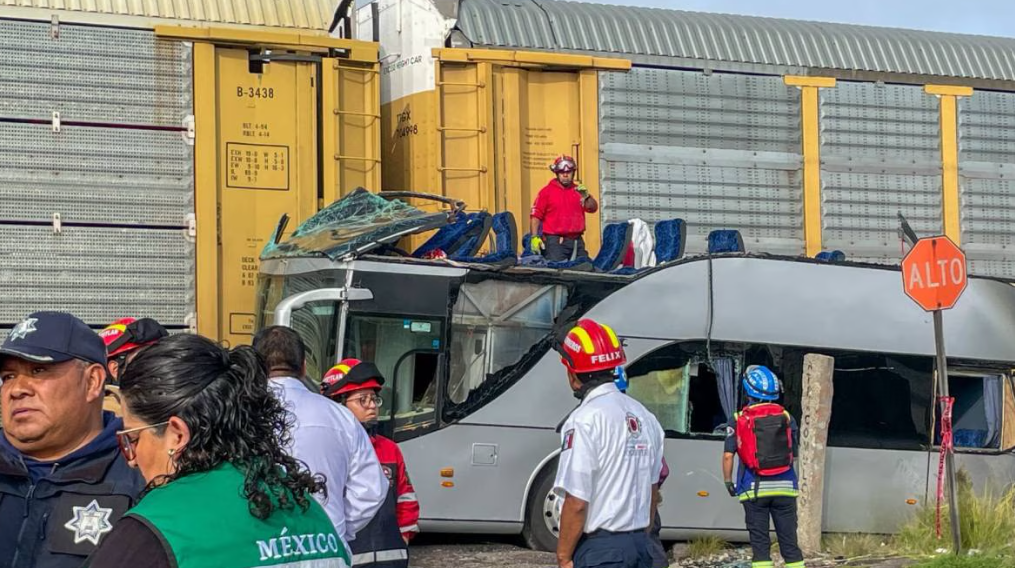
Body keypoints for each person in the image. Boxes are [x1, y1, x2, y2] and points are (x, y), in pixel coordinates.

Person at [84, 333, 351, 568]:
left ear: (176, 435)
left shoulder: (159, 529)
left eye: (132, 439)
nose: (131, 460)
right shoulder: (308, 512)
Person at [0, 311, 144, 568]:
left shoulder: (143, 475)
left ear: (92, 382)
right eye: (8, 377)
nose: (17, 389)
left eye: (38, 370)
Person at [253, 326, 388, 544]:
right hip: (326, 546)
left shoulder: (239, 414)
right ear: (304, 367)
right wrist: (337, 529)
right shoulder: (342, 417)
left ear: (255, 367)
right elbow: (371, 490)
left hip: (261, 546)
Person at [553, 318, 665, 568]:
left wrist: (564, 557)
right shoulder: (646, 417)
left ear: (572, 374)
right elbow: (652, 492)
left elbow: (577, 501)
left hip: (600, 551)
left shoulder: (583, 420)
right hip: (641, 547)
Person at [321, 359, 420, 568]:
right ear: (338, 404)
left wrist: (403, 536)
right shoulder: (327, 450)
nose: (372, 406)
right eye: (362, 399)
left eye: (374, 398)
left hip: (390, 558)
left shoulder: (390, 449)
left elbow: (406, 498)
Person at [722, 365, 804, 568]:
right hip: (785, 488)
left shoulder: (738, 419)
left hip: (754, 489)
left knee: (760, 545)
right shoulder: (787, 417)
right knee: (789, 543)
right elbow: (793, 452)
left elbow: (727, 456)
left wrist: (728, 481)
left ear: (748, 391)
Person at [529, 154, 599, 262]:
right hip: (555, 241)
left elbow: (593, 208)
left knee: (585, 268)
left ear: (573, 173)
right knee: (557, 271)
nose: (565, 175)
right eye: (562, 172)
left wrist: (587, 197)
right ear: (557, 173)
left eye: (568, 172)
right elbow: (535, 215)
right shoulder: (546, 192)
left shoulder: (579, 191)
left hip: (577, 241)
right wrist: (534, 237)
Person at [98, 317, 168, 414]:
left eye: (157, 358)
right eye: (142, 360)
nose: (154, 366)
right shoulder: (109, 413)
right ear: (115, 369)